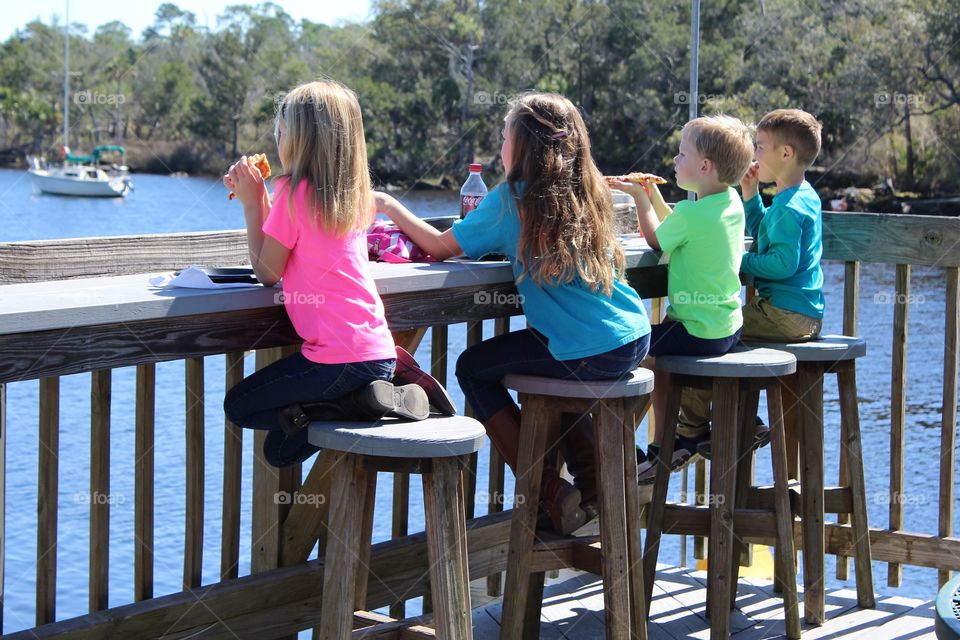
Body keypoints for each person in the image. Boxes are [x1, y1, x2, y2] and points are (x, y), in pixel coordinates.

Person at [374, 92, 651, 534]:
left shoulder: (510, 200)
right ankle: (596, 487)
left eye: (504, 136)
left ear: (522, 147)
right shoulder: (590, 189)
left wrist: (389, 206)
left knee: (473, 366)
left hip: (590, 348)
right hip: (632, 337)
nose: (500, 144)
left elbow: (440, 246)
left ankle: (550, 492)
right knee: (557, 372)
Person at [221, 80, 428, 468]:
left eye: (281, 132)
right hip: (380, 356)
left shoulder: (290, 192)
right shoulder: (347, 199)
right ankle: (362, 402)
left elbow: (267, 272)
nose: (278, 139)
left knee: (239, 407)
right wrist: (266, 201)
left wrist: (253, 204)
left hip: (335, 360)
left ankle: (351, 404)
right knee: (279, 450)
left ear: (298, 140)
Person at [608, 114, 754, 480]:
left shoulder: (691, 212)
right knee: (659, 349)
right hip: (727, 327)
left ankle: (660, 448)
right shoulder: (730, 202)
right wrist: (654, 193)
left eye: (681, 154)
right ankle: (685, 433)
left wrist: (639, 197)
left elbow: (657, 239)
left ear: (704, 167)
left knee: (638, 350)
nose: (675, 160)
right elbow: (677, 227)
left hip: (696, 330)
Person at [684, 108, 826, 461]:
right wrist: (750, 195)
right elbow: (766, 235)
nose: (753, 155)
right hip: (802, 314)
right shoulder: (801, 197)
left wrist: (734, 259)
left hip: (783, 314)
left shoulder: (788, 207)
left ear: (786, 153)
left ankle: (692, 428)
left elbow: (780, 264)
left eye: (760, 147)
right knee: (720, 333)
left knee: (711, 332)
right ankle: (746, 422)